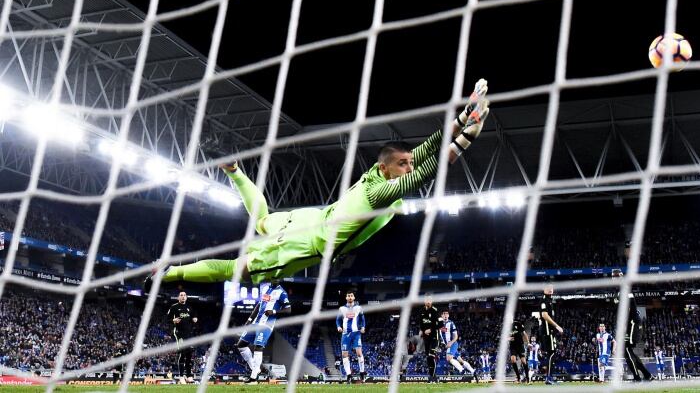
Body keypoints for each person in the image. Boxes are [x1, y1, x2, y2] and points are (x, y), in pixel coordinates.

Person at [144, 80, 491, 290]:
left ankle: (234, 170)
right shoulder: (380, 193)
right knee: (237, 270)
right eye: (402, 164)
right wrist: (466, 141)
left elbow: (425, 152)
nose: (408, 165)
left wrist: (465, 116)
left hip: (313, 217)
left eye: (407, 161)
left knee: (263, 219)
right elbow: (425, 173)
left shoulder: (377, 172)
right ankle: (170, 274)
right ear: (386, 169)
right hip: (308, 241)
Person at [236, 278, 291, 383]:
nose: (275, 279)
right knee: (240, 345)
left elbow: (288, 309)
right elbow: (258, 306)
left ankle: (253, 378)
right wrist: (249, 321)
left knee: (258, 346)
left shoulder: (282, 293)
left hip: (266, 324)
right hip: (256, 322)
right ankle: (255, 369)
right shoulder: (265, 288)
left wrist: (273, 311)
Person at [611, 269, 653, 382]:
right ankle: (647, 375)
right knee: (628, 351)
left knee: (626, 350)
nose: (615, 278)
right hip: (629, 324)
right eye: (613, 276)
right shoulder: (618, 292)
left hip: (632, 323)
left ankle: (637, 377)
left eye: (617, 276)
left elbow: (627, 309)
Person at [167, 291, 198, 384]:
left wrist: (195, 318)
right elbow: (167, 319)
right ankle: (181, 377)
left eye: (184, 295)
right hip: (179, 333)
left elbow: (194, 315)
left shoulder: (189, 308)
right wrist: (173, 320)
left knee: (189, 355)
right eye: (181, 295)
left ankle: (189, 376)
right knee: (182, 353)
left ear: (186, 297)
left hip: (189, 334)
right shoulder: (174, 307)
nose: (183, 297)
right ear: (178, 298)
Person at [438, 309, 477, 381]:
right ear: (442, 315)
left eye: (447, 314)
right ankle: (473, 371)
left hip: (452, 344)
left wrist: (450, 342)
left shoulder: (451, 323)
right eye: (444, 313)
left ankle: (461, 370)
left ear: (448, 315)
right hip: (448, 345)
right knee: (461, 361)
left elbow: (456, 336)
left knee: (448, 358)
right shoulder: (439, 322)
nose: (446, 315)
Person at [336, 291, 366, 383]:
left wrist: (363, 327)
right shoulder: (341, 309)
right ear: (346, 298)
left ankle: (362, 372)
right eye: (348, 295)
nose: (350, 297)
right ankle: (349, 375)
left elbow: (362, 318)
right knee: (344, 354)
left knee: (359, 352)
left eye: (351, 296)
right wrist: (339, 327)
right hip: (345, 334)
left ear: (354, 297)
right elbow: (338, 319)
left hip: (356, 333)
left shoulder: (358, 308)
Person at [539, 284, 563, 385]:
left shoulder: (550, 300)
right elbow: (544, 315)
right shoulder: (544, 301)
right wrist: (557, 326)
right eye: (548, 288)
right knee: (551, 353)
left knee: (551, 353)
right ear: (544, 289)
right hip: (547, 331)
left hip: (550, 331)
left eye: (551, 288)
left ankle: (549, 377)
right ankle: (548, 378)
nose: (550, 289)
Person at [418, 296, 443, 383]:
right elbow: (421, 323)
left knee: (431, 355)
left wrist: (431, 329)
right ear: (424, 301)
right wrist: (421, 330)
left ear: (431, 302)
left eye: (429, 301)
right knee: (428, 358)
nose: (428, 302)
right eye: (426, 300)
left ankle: (433, 377)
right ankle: (432, 376)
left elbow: (441, 324)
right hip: (426, 338)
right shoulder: (421, 311)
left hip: (434, 338)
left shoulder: (436, 310)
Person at [509, 317, 530, 383]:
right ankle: (518, 378)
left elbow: (524, 333)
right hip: (512, 346)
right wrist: (508, 339)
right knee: (513, 360)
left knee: (523, 361)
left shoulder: (518, 324)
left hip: (520, 345)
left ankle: (527, 378)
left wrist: (528, 343)